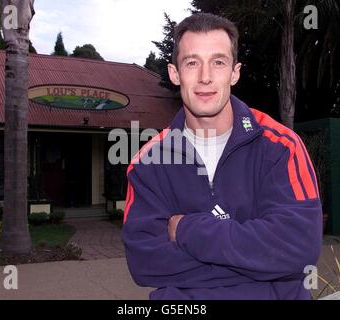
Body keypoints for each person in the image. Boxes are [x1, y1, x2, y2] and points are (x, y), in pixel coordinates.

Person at [121, 13, 322, 300]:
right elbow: (144, 264)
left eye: (218, 62)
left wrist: (188, 229)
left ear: (235, 72)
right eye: (192, 63)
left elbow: (300, 249)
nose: (205, 77)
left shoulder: (282, 146)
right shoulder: (148, 162)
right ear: (174, 73)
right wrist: (261, 260)